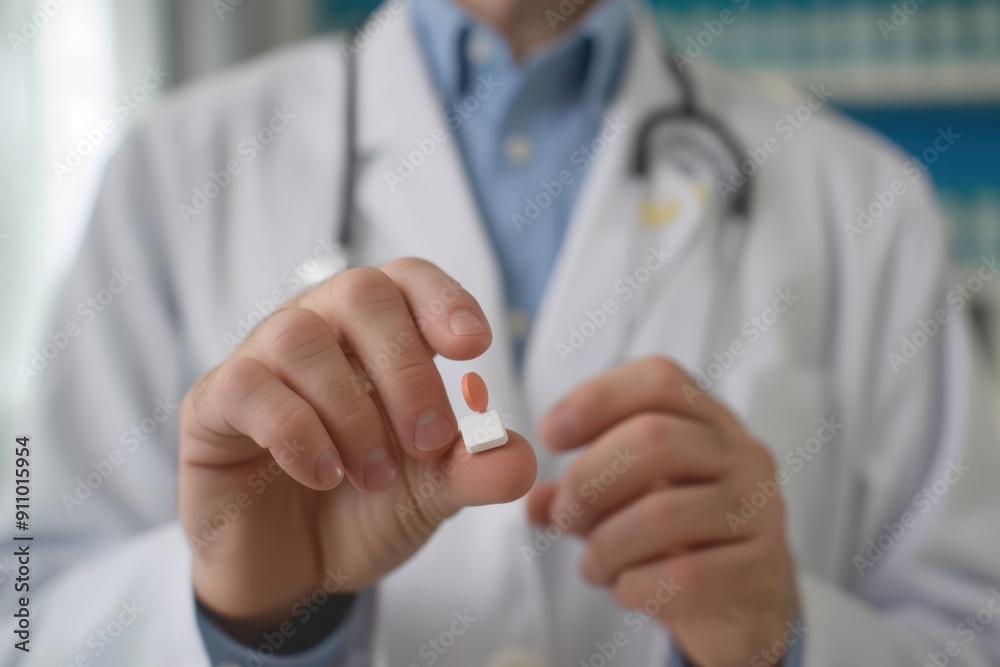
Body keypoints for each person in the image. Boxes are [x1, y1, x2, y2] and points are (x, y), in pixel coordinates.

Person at [8, 0, 1000, 665]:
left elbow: (974, 628)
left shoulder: (860, 197)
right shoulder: (172, 168)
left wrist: (783, 635)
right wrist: (243, 614)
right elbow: (26, 610)